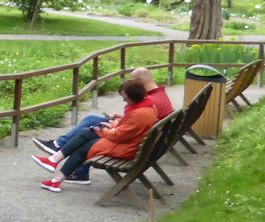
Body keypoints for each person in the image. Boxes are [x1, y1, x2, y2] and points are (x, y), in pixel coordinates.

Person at [31, 67, 172, 183]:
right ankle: (55, 166)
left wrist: (107, 129)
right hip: (136, 144)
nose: (124, 101)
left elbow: (123, 133)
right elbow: (133, 126)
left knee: (87, 138)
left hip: (128, 148)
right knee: (88, 131)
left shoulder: (143, 111)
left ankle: (56, 165)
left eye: (125, 98)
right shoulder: (149, 104)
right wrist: (117, 122)